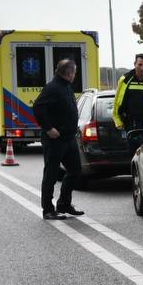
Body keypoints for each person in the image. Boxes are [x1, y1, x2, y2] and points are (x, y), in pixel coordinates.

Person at [32, 59, 83, 220]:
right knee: (51, 175)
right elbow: (38, 107)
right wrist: (48, 128)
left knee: (75, 170)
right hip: (55, 139)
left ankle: (64, 204)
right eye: (74, 72)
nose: (75, 75)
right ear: (69, 73)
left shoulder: (65, 86)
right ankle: (48, 209)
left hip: (69, 139)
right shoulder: (53, 87)